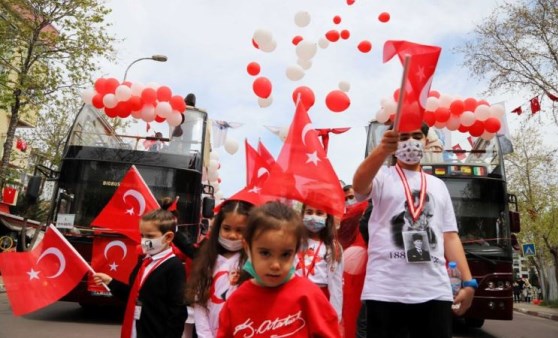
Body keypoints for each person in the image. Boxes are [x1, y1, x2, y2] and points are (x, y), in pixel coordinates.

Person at [352, 123, 475, 338]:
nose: (410, 142)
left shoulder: (438, 185)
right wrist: (382, 149)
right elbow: (359, 186)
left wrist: (468, 282)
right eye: (403, 137)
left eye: (417, 136)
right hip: (386, 291)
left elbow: (450, 236)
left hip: (435, 291)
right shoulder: (382, 176)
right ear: (393, 142)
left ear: (426, 141)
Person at [217, 201, 341, 337]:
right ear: (247, 248)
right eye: (265, 253)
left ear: (295, 251)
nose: (275, 265)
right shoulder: (236, 301)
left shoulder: (309, 296)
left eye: (285, 254)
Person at [93, 207, 187, 338]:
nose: (144, 240)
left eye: (150, 236)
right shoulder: (144, 261)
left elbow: (177, 312)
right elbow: (135, 295)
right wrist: (111, 282)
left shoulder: (174, 267)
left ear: (168, 237)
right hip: (135, 330)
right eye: (142, 235)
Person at [185, 200, 253, 338]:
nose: (232, 235)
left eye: (240, 230)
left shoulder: (253, 264)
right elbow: (200, 304)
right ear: (218, 228)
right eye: (227, 228)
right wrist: (205, 335)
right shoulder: (208, 260)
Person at [296, 204, 344, 322]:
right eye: (309, 212)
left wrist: (335, 317)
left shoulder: (333, 247)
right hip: (294, 296)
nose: (313, 217)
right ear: (302, 214)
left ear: (327, 217)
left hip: (320, 298)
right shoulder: (293, 241)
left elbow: (336, 285)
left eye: (319, 213)